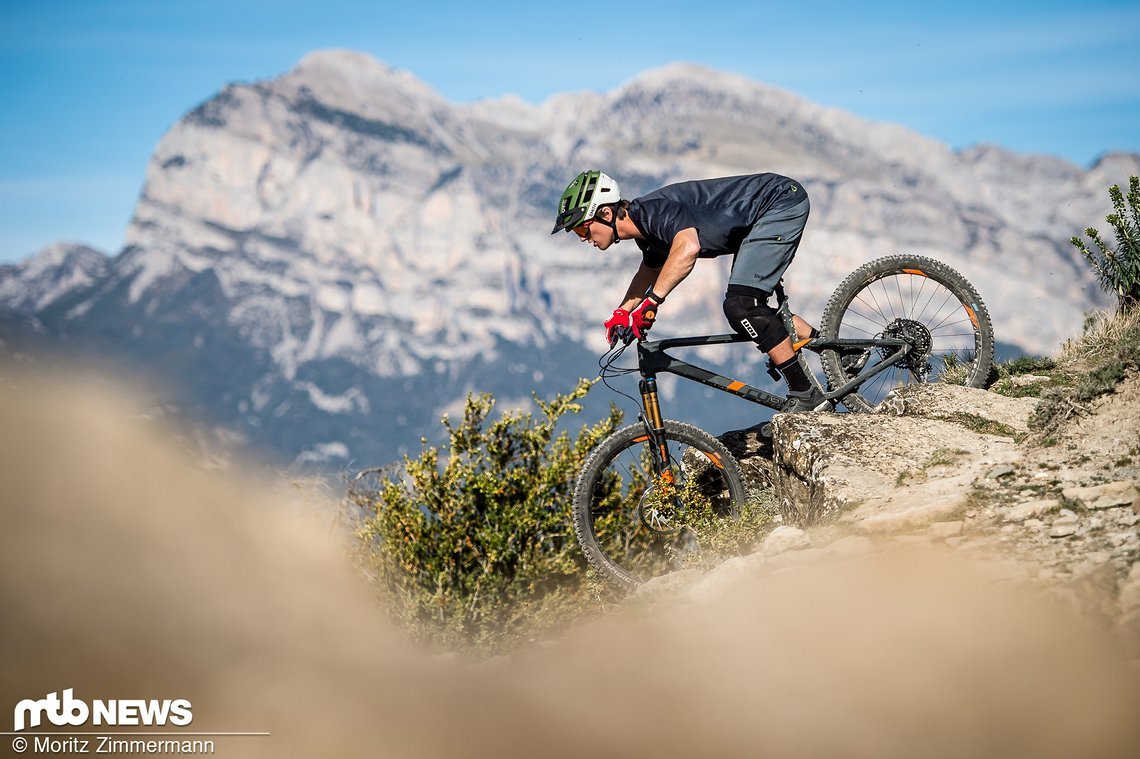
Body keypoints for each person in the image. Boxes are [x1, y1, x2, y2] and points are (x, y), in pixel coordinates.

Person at [551, 169, 825, 413]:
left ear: (606, 213)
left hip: (778, 204)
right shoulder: (646, 231)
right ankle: (833, 352)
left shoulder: (653, 212)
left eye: (582, 230)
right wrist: (622, 311)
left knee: (740, 306)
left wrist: (652, 302)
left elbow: (687, 248)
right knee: (747, 313)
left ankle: (806, 394)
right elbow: (649, 270)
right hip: (762, 215)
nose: (584, 240)